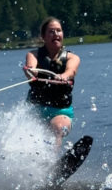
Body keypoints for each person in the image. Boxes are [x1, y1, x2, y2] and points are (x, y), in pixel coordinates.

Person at [23, 17, 80, 147]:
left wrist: (64, 76)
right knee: (34, 139)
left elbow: (71, 70)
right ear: (43, 36)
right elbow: (32, 68)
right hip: (36, 109)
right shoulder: (33, 55)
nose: (56, 34)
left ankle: (51, 163)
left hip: (61, 111)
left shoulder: (72, 57)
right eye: (51, 31)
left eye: (58, 31)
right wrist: (30, 71)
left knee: (59, 129)